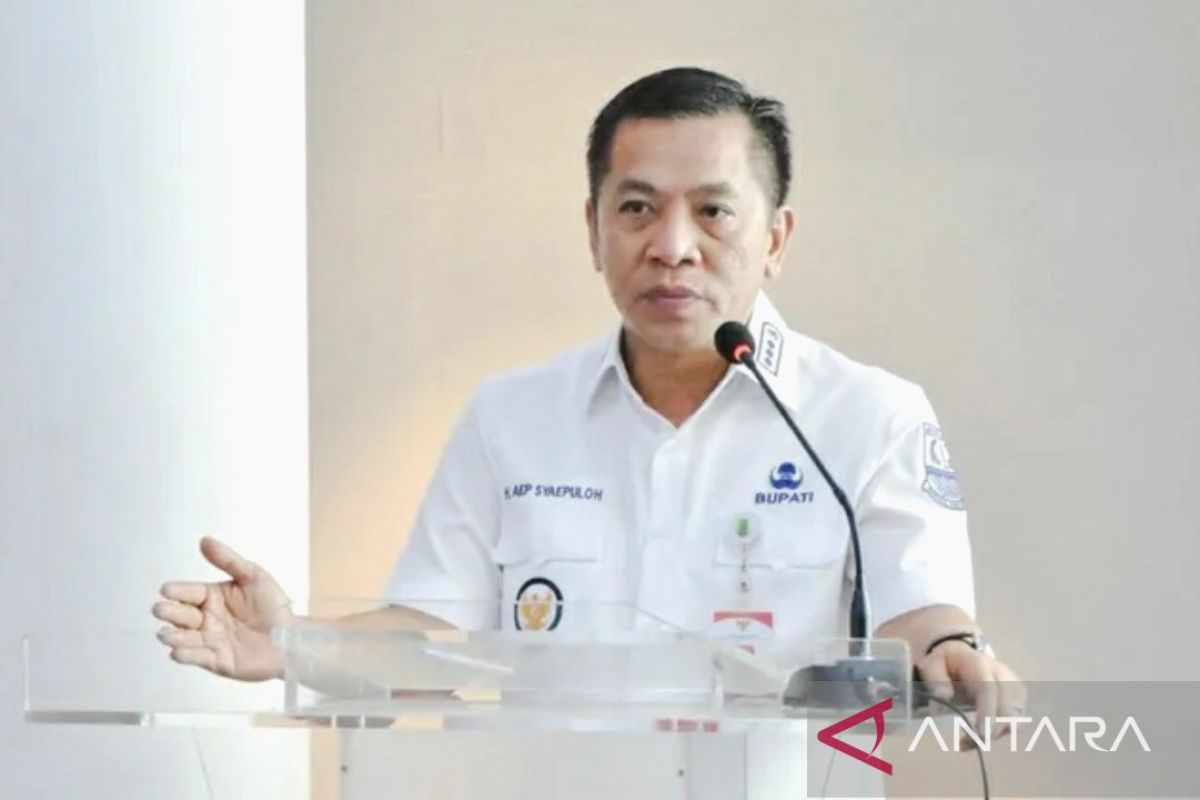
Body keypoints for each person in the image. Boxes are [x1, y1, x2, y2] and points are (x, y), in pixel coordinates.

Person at [154, 67, 1023, 723]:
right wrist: (293, 644)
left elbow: (921, 618)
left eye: (714, 211)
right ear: (594, 230)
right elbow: (432, 641)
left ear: (776, 237)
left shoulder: (869, 416)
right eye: (637, 208)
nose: (671, 245)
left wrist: (952, 652)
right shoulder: (511, 416)